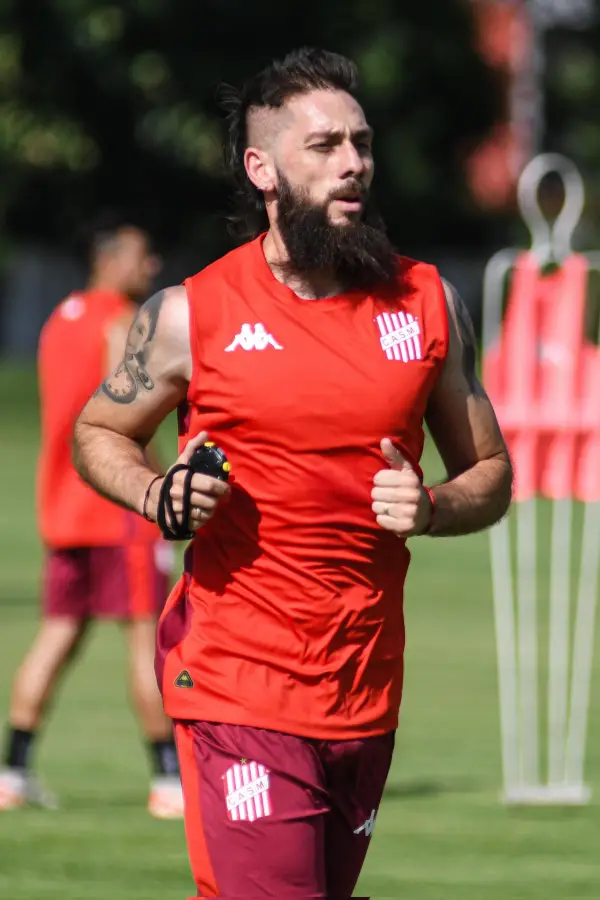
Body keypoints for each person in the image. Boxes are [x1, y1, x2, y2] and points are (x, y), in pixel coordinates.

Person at [73, 49, 513, 899]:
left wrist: (431, 506)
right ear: (262, 168)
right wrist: (157, 493)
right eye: (324, 146)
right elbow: (99, 430)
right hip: (236, 684)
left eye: (362, 143)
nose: (354, 164)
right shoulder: (192, 313)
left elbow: (490, 470)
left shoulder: (427, 302)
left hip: (365, 692)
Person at [0, 214, 184, 819]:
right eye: (142, 255)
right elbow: (128, 420)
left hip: (62, 509)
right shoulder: (121, 321)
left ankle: (12, 771)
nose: (151, 265)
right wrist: (162, 487)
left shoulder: (60, 319)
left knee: (57, 634)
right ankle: (168, 780)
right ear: (109, 260)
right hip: (117, 511)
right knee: (146, 638)